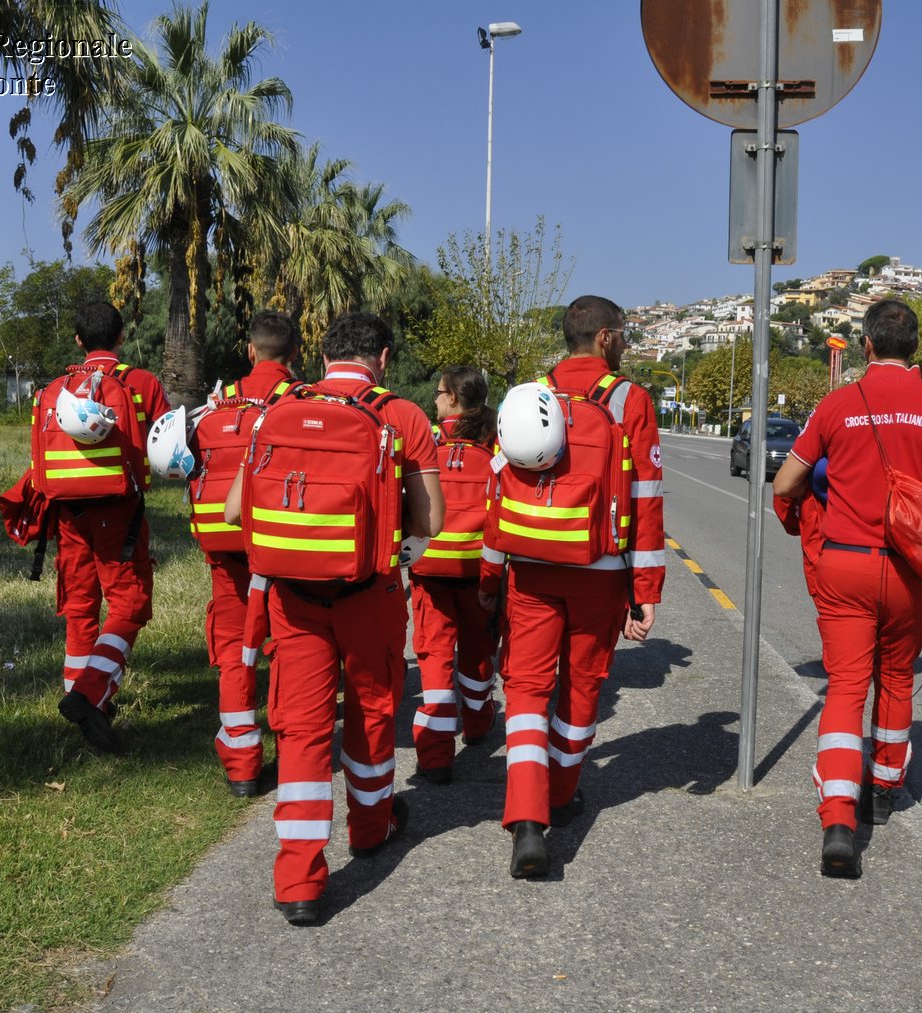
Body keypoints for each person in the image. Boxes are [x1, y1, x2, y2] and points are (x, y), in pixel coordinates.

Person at [246, 311, 443, 926]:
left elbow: (235, 509)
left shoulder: (273, 411)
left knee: (302, 730)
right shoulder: (403, 416)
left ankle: (298, 878)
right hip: (370, 594)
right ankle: (369, 826)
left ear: (325, 356)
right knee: (371, 712)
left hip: (292, 599)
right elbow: (430, 521)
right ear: (381, 357)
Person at [771, 299, 922, 879]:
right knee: (895, 677)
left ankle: (838, 818)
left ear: (866, 346)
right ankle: (883, 789)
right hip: (909, 573)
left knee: (845, 687)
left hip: (844, 567)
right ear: (915, 347)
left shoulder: (838, 403)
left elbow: (788, 480)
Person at [479, 295, 665, 878]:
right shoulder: (629, 400)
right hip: (600, 574)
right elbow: (646, 500)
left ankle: (527, 822)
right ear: (606, 338)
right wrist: (645, 589)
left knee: (527, 691)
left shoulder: (529, 396)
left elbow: (496, 489)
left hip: (531, 568)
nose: (628, 342)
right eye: (626, 333)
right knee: (581, 691)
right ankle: (561, 793)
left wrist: (491, 575)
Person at [53, 301, 171, 753]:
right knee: (130, 604)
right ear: (121, 338)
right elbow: (165, 452)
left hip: (67, 513)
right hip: (120, 514)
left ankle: (82, 699)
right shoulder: (141, 383)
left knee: (80, 605)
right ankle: (89, 694)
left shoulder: (56, 388)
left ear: (79, 341)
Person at [194, 311, 300, 797]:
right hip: (278, 544)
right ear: (294, 355)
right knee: (287, 643)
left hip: (221, 540)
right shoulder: (300, 402)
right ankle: (291, 746)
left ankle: (241, 762)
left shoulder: (218, 404)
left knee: (235, 647)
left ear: (251, 351)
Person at [409, 366, 499, 784]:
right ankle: (479, 725)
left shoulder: (426, 442)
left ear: (452, 400)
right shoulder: (498, 444)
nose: (434, 398)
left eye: (439, 391)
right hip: (479, 572)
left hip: (430, 573)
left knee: (434, 659)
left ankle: (435, 756)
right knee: (478, 653)